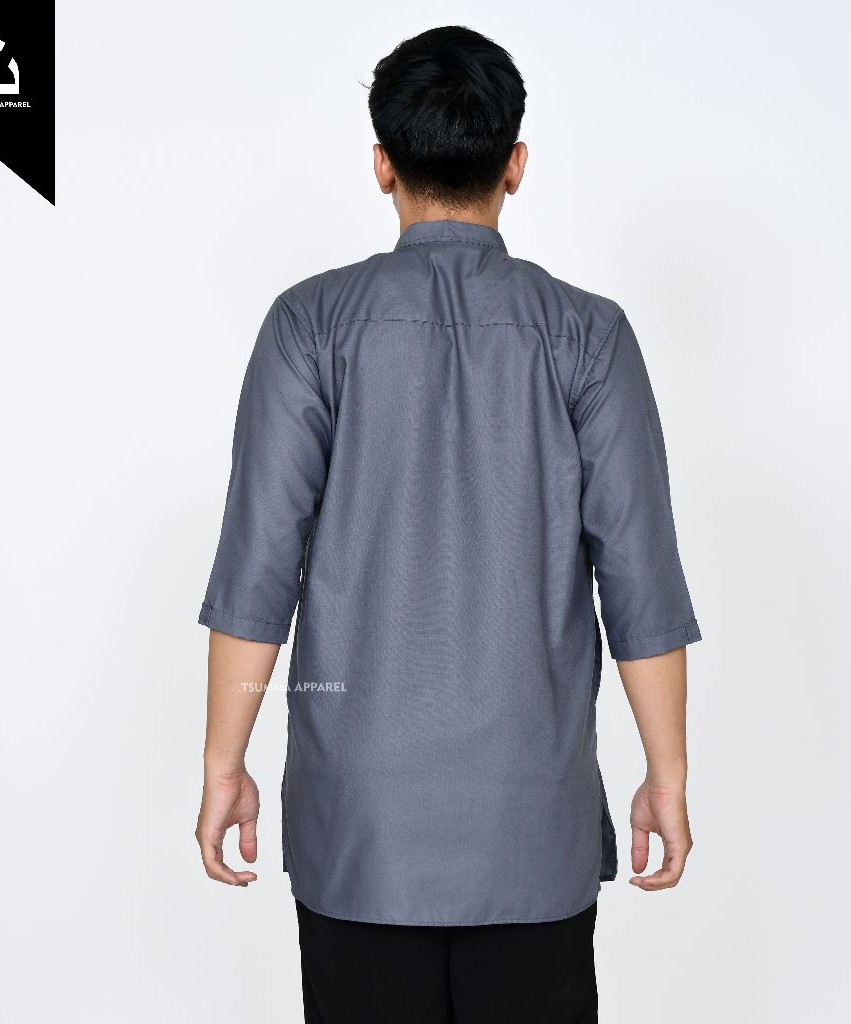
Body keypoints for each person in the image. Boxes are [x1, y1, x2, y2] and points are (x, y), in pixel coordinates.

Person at [195, 24, 701, 1023]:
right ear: (516, 164)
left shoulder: (309, 326)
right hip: (532, 828)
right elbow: (639, 584)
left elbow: (257, 577)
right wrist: (667, 773)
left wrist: (223, 764)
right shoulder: (588, 336)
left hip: (360, 830)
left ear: (382, 163)